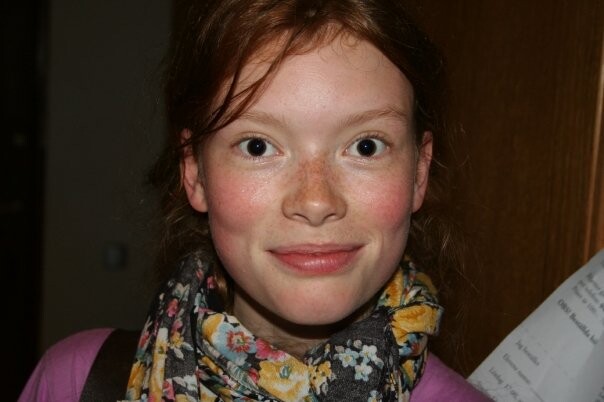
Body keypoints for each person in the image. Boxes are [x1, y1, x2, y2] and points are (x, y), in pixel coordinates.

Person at [19, 1, 492, 401]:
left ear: (419, 172)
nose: (315, 202)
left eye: (366, 146)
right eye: (258, 146)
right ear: (194, 172)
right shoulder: (74, 382)